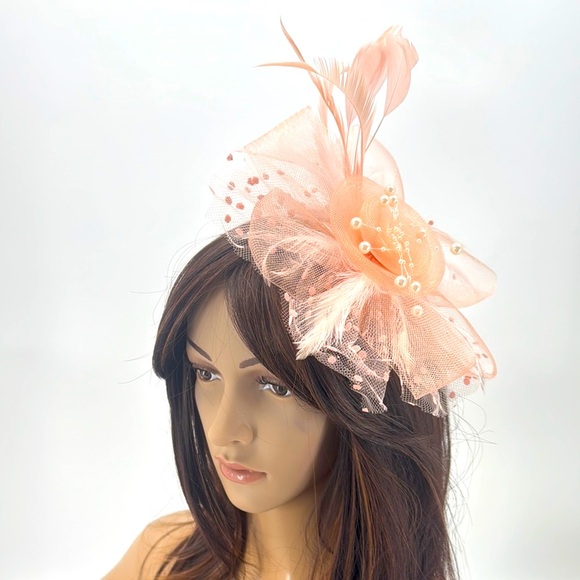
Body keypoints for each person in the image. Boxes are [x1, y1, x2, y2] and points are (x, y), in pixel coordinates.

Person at [104, 23, 496, 580]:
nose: (225, 431)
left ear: (359, 403)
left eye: (274, 385)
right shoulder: (160, 558)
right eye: (205, 374)